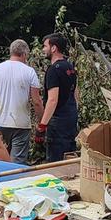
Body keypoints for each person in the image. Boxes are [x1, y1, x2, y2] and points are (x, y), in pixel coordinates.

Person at [0, 39, 44, 165]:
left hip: (0, 122)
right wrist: (42, 122)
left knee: (1, 159)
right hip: (21, 124)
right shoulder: (29, 72)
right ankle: (15, 181)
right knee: (17, 163)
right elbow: (37, 101)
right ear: (24, 54)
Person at [36, 34, 79, 162]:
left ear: (54, 48)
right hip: (71, 118)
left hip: (58, 122)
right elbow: (76, 94)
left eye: (45, 46)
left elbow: (52, 99)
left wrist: (42, 126)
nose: (43, 49)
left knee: (55, 162)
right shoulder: (70, 67)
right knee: (69, 157)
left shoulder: (53, 70)